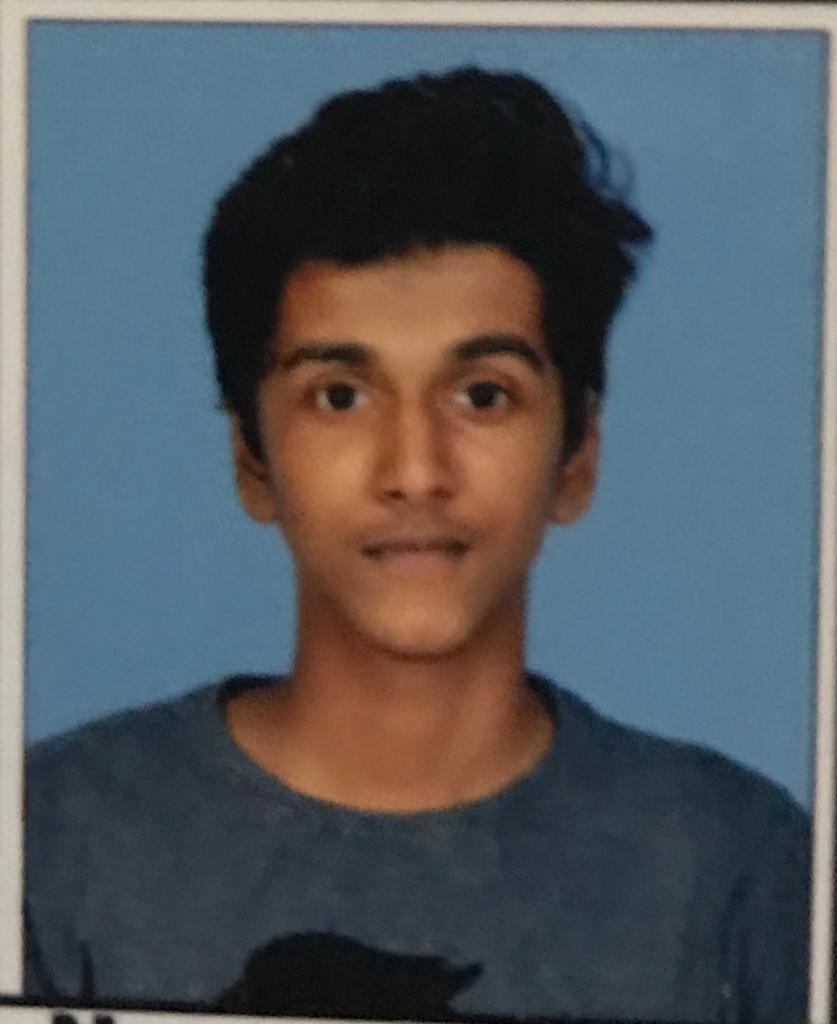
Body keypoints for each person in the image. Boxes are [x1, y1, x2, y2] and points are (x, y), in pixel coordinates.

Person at [24, 67, 810, 1023]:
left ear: (577, 455)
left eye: (482, 394)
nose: (415, 470)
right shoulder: (49, 846)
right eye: (339, 396)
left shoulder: (734, 868)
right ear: (251, 458)